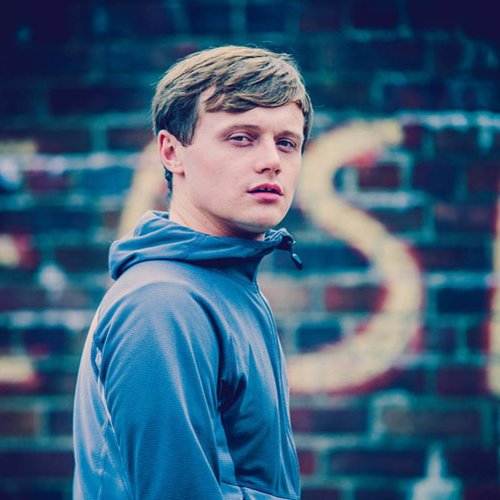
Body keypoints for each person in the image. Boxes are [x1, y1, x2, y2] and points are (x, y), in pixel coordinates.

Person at [73, 45, 313, 500]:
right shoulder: (163, 303)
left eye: (287, 142)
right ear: (171, 152)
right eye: (241, 137)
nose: (272, 160)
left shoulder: (225, 285)